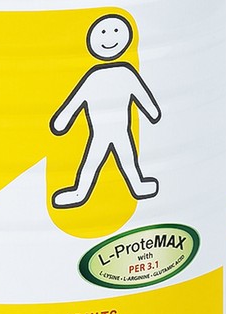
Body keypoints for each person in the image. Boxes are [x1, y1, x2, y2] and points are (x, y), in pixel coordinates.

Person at [50, 14, 162, 208]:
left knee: (127, 160)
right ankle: (80, 192)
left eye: (116, 31)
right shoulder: (93, 77)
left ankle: (137, 186)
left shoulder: (126, 74)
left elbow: (142, 96)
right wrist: (62, 120)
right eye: (103, 32)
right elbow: (75, 102)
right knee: (92, 163)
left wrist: (152, 112)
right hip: (100, 134)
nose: (109, 37)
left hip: (121, 132)